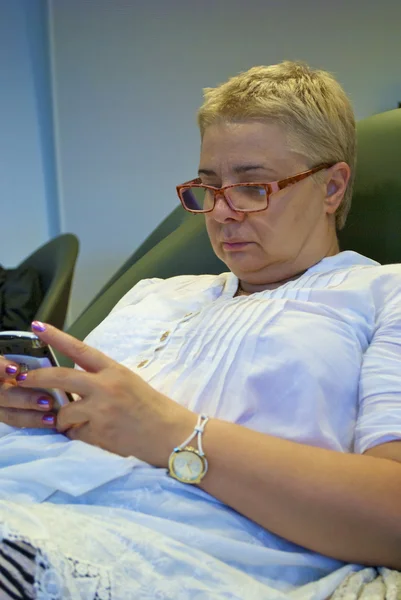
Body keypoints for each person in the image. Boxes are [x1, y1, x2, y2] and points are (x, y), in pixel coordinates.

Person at [0, 60, 400, 600]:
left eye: (253, 188)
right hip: (27, 493)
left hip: (163, 549)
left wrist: (172, 433)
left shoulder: (383, 296)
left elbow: (392, 515)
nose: (221, 213)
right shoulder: (157, 294)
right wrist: (36, 409)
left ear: (331, 187)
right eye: (208, 188)